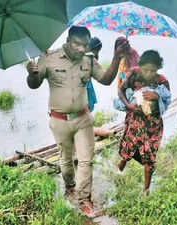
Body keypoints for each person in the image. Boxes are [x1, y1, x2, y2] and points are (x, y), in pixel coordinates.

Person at [26, 26, 128, 217]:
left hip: (83, 119)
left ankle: (84, 200)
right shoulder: (48, 58)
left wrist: (117, 57)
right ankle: (69, 187)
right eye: (77, 44)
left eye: (85, 45)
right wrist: (31, 74)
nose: (81, 49)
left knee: (86, 161)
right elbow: (34, 84)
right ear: (68, 40)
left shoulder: (89, 60)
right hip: (59, 121)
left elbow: (105, 79)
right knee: (65, 161)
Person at [117, 50, 171, 196]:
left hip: (152, 125)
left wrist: (157, 96)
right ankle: (122, 164)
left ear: (158, 69)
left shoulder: (162, 81)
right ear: (140, 66)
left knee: (149, 155)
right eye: (146, 70)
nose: (149, 73)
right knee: (128, 146)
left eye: (153, 71)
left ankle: (145, 191)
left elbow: (167, 103)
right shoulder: (133, 73)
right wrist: (127, 105)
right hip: (134, 120)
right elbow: (120, 91)